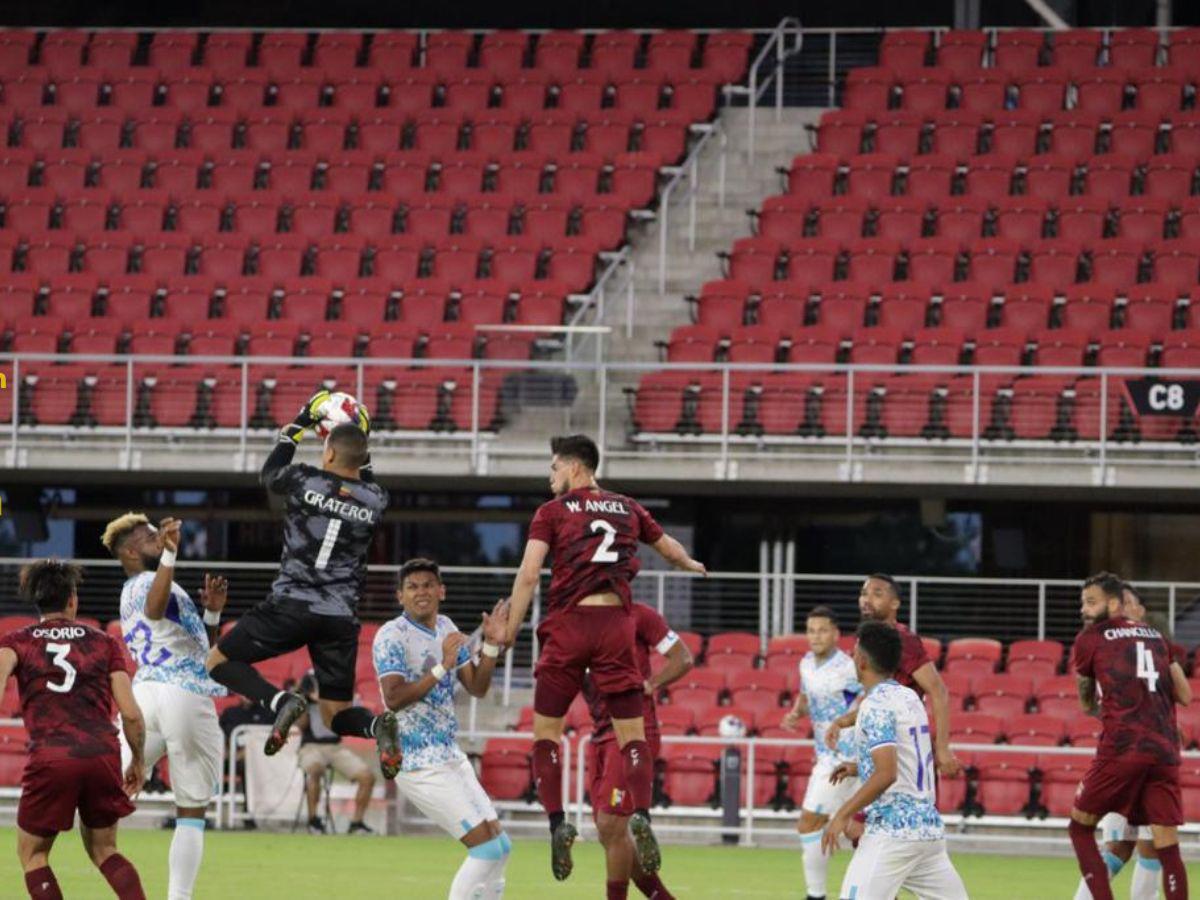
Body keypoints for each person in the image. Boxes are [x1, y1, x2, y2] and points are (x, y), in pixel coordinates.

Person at [503, 434, 706, 881]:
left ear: (575, 468)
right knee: (633, 737)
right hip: (615, 626)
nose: (550, 476)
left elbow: (530, 572)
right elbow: (668, 548)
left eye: (554, 467)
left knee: (546, 735)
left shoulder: (552, 512)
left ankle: (557, 822)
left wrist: (511, 630)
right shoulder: (628, 507)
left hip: (569, 624)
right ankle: (643, 816)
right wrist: (690, 564)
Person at [205, 395, 402, 778]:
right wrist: (361, 439)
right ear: (362, 457)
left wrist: (298, 424)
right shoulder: (376, 499)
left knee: (217, 662)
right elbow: (365, 477)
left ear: (328, 452)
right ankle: (378, 726)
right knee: (335, 716)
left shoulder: (304, 478)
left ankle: (281, 702)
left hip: (291, 606)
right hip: (339, 618)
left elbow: (270, 473)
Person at [0, 560, 148, 900]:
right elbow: (131, 714)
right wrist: (138, 760)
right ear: (72, 600)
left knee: (33, 855)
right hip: (102, 754)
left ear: (38, 600)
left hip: (52, 756)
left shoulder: (15, 642)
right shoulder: (105, 643)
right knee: (105, 850)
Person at [101, 511, 228, 900]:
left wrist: (212, 614)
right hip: (183, 694)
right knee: (191, 810)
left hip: (146, 694)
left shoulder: (140, 586)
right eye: (151, 536)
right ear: (131, 551)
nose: (160, 538)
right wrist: (171, 554)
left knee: (110, 787)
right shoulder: (148, 582)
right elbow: (154, 610)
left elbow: (198, 647)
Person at [373, 558, 512, 899]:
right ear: (400, 596)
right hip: (416, 761)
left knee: (501, 846)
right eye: (412, 587)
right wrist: (442, 666)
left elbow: (477, 687)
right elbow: (394, 698)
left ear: (441, 591)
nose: (421, 592)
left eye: (428, 585)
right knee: (486, 850)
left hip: (450, 755)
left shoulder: (447, 627)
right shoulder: (391, 635)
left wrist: (490, 646)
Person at [821, 621, 968, 900]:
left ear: (862, 661)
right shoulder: (910, 697)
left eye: (854, 652)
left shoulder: (874, 706)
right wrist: (859, 768)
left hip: (892, 833)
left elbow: (886, 773)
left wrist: (842, 815)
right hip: (928, 831)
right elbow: (909, 757)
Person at [1069, 572, 1189, 900]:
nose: (1134, 609)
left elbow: (1087, 701)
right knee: (1131, 847)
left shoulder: (1094, 640)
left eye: (1135, 603)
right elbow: (1184, 694)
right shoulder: (1156, 640)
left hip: (1123, 751)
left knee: (1135, 845)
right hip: (1159, 750)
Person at [584, 602, 693, 900]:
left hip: (635, 730)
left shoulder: (638, 614)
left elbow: (683, 658)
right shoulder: (574, 622)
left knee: (611, 825)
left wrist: (651, 683)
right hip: (600, 735)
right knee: (610, 834)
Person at [824, 575, 961, 781]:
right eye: (864, 593)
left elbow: (938, 691)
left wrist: (943, 749)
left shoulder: (902, 639)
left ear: (895, 603)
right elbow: (879, 701)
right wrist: (842, 722)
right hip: (883, 748)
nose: (867, 599)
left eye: (877, 594)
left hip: (905, 752)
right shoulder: (868, 639)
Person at [781, 606, 863, 900]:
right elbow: (806, 698)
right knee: (855, 830)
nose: (816, 636)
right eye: (811, 631)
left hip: (845, 758)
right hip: (825, 756)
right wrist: (795, 713)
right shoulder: (805, 664)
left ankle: (816, 896)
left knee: (809, 823)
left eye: (823, 630)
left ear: (836, 634)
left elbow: (868, 698)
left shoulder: (848, 668)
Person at [295, 670, 376, 835]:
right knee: (314, 770)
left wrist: (329, 701)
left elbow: (352, 714)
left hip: (336, 746)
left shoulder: (338, 682)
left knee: (367, 777)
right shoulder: (308, 683)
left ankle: (356, 823)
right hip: (311, 746)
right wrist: (303, 700)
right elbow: (300, 726)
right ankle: (313, 820)